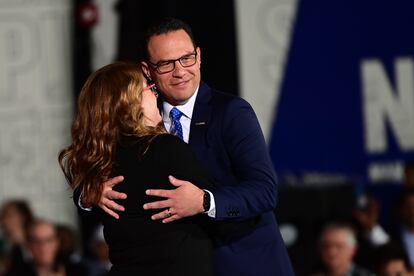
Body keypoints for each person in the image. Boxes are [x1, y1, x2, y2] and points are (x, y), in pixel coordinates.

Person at [78, 17, 294, 275]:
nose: (180, 71)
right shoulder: (140, 116)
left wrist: (205, 201)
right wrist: (90, 194)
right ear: (148, 70)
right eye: (167, 64)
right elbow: (97, 154)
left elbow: (265, 191)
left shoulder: (231, 113)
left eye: (186, 58)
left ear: (199, 57)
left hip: (244, 264)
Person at [60, 62, 237, 275]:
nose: (157, 95)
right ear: (128, 103)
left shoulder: (101, 161)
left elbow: (85, 201)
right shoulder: (166, 149)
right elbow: (225, 220)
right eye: (149, 89)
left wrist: (87, 195)